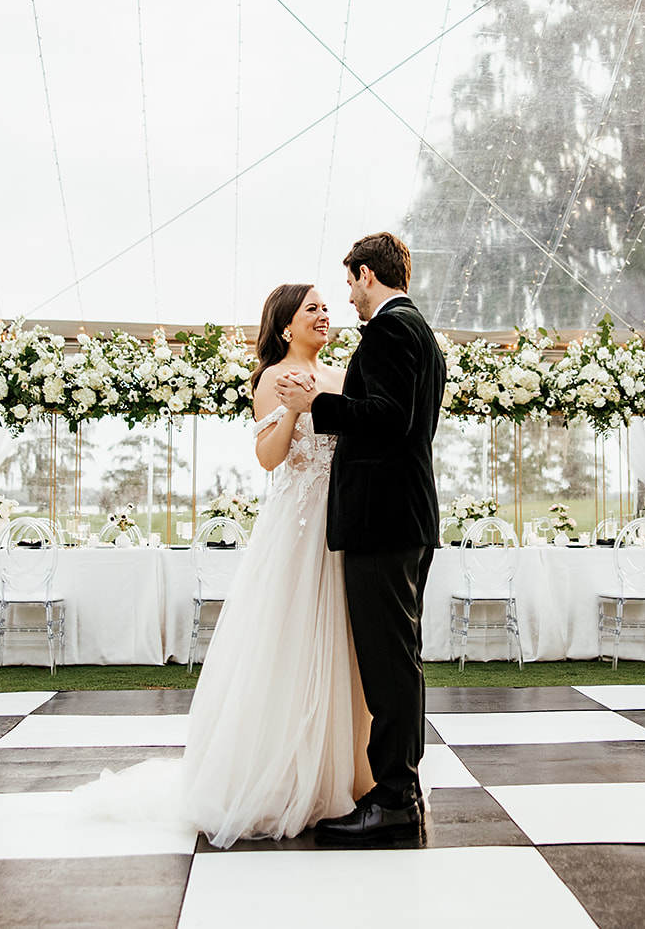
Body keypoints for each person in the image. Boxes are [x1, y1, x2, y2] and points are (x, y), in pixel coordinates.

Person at [175, 283, 373, 847]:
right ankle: (284, 775)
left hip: (344, 523)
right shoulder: (271, 378)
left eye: (325, 308)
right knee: (289, 643)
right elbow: (268, 459)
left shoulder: (342, 375)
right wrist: (290, 406)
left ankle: (352, 775)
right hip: (297, 527)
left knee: (347, 649)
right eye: (311, 308)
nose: (323, 315)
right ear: (286, 325)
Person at [275, 232, 445, 842]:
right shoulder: (419, 331)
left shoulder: (393, 330)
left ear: (368, 274)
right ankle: (399, 788)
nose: (347, 297)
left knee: (389, 661)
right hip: (403, 515)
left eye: (349, 283)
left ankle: (394, 797)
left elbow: (388, 418)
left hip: (384, 519)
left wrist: (320, 400)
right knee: (397, 657)